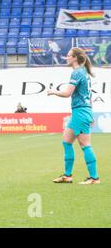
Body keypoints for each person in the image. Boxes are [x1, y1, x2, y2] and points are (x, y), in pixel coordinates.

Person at [48, 47, 100, 185]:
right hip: (82, 111)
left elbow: (67, 93)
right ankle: (67, 176)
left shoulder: (77, 73)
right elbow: (89, 96)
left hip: (80, 112)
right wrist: (91, 113)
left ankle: (94, 178)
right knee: (66, 141)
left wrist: (53, 91)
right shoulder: (83, 73)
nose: (66, 57)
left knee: (85, 145)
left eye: (69, 55)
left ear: (75, 58)